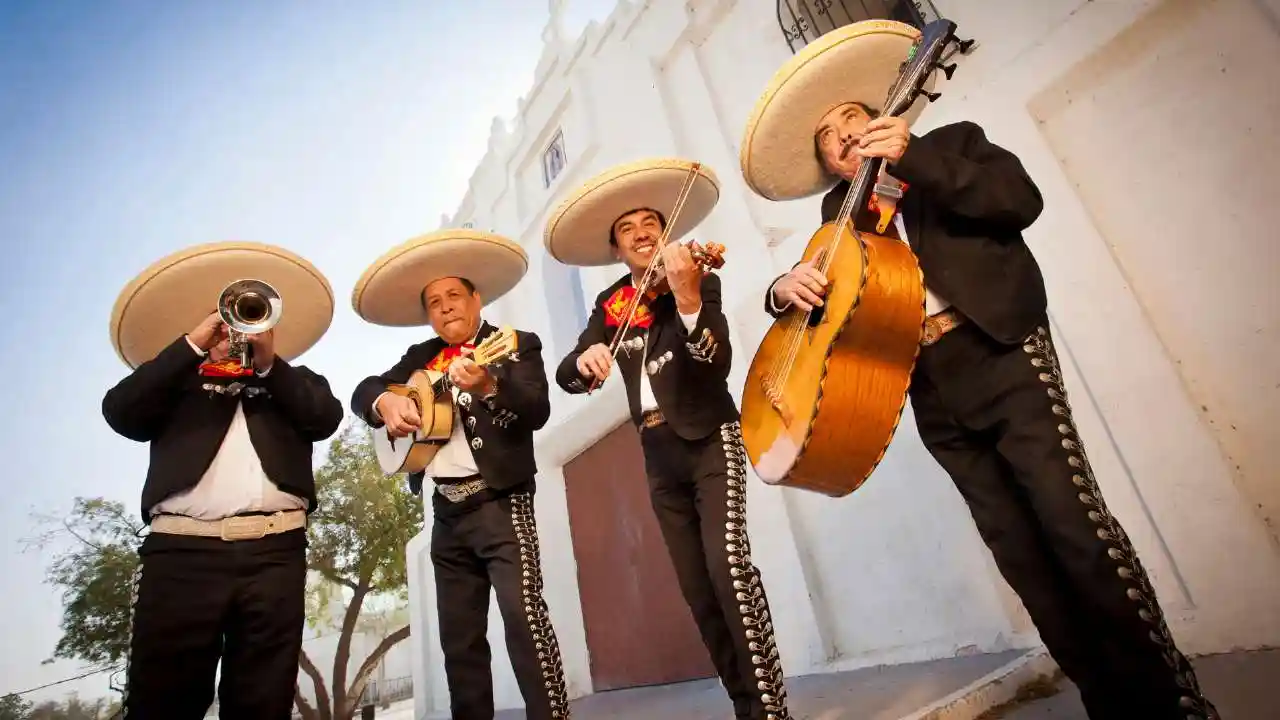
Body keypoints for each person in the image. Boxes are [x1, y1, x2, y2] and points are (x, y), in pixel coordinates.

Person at [739, 19, 1217, 720]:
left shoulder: (949, 146)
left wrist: (914, 159)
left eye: (849, 120)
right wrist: (781, 290)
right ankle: (1112, 706)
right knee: (1021, 556)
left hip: (1001, 351)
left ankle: (1173, 706)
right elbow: (830, 314)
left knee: (1075, 529)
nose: (841, 138)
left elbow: (1020, 200)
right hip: (927, 388)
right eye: (826, 139)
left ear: (880, 117)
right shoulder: (835, 220)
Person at [545, 158, 791, 720]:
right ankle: (745, 708)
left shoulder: (697, 279)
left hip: (710, 438)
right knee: (698, 590)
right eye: (627, 228)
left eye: (650, 223)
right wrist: (585, 360)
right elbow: (566, 373)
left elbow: (715, 361)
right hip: (657, 455)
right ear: (616, 247)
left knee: (729, 570)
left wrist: (687, 301)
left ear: (666, 231)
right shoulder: (612, 306)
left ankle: (771, 711)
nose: (641, 233)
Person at [101, 241, 344, 719]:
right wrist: (192, 345)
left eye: (244, 317)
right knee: (163, 703)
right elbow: (120, 411)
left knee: (263, 702)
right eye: (225, 319)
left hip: (276, 554)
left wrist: (270, 365)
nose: (234, 329)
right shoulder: (177, 383)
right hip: (181, 556)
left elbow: (324, 418)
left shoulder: (293, 380)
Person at [349, 229, 571, 720]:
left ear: (475, 300)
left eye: (453, 295)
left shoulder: (515, 345)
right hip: (445, 514)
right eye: (434, 302)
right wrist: (384, 402)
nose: (445, 306)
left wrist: (489, 384)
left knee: (524, 622)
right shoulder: (420, 358)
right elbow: (362, 389)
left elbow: (535, 410)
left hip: (502, 501)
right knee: (459, 641)